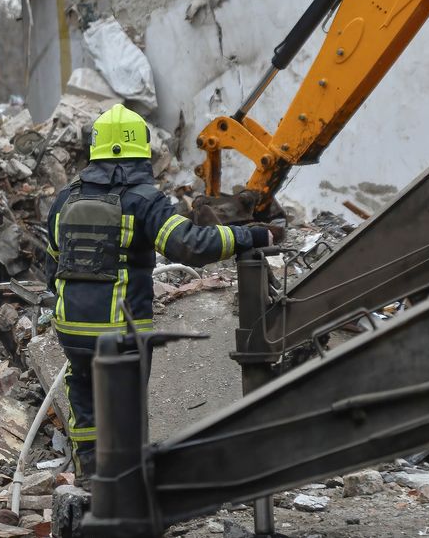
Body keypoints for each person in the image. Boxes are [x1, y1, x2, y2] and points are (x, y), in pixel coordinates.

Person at [43, 104, 272, 477]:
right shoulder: (142, 200)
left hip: (72, 329)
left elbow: (53, 263)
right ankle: (126, 483)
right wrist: (248, 235)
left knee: (83, 392)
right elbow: (189, 246)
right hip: (120, 332)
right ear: (140, 152)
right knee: (125, 406)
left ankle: (91, 472)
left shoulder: (64, 200)